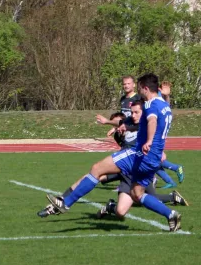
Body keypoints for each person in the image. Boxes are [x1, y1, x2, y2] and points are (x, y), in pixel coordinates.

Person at [44, 74, 182, 231]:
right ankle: (171, 214)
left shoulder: (150, 105)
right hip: (154, 160)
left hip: (140, 155)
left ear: (145, 88)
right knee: (137, 194)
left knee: (97, 168)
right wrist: (166, 95)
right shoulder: (165, 106)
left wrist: (149, 141)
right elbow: (160, 117)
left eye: (139, 88)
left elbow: (152, 121)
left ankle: (66, 204)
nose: (139, 92)